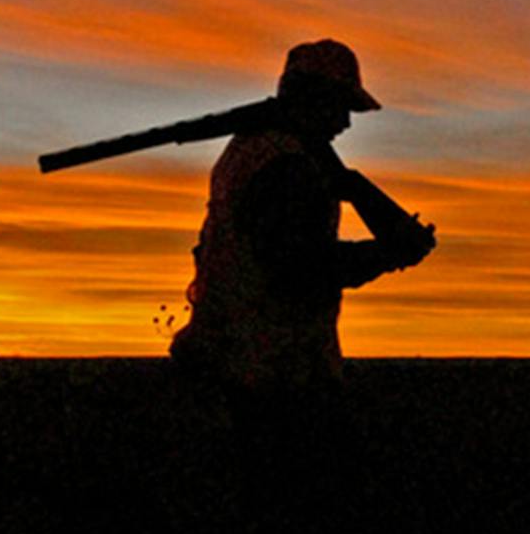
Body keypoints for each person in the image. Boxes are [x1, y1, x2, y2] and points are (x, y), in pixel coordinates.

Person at [169, 39, 436, 400]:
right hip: (272, 377)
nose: (344, 123)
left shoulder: (251, 151)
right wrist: (388, 254)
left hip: (231, 359)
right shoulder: (289, 167)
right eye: (340, 108)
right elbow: (301, 270)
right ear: (315, 102)